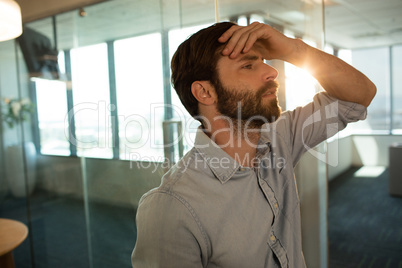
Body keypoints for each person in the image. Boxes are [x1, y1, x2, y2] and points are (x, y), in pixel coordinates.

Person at [131, 21, 376, 267]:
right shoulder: (170, 207)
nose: (272, 72)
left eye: (263, 61)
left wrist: (293, 49)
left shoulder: (280, 137)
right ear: (205, 92)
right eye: (248, 65)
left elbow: (359, 97)